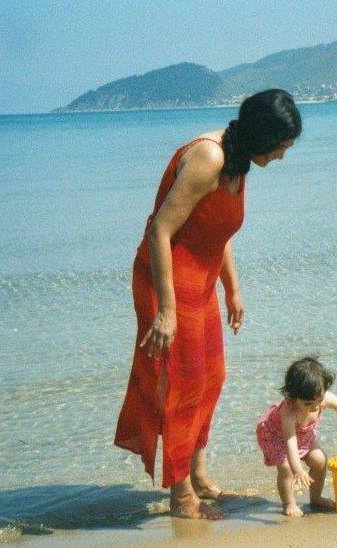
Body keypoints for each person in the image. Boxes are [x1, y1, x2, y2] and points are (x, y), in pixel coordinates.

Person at [114, 89, 302, 520]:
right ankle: (181, 496)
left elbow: (217, 232)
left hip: (200, 279)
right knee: (182, 386)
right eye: (281, 145)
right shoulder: (210, 158)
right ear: (260, 136)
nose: (282, 155)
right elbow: (160, 230)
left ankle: (197, 475)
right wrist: (166, 309)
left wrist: (232, 288)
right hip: (166, 280)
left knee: (211, 377)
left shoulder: (239, 162)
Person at [256, 356, 337, 517]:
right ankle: (289, 502)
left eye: (319, 400)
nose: (315, 406)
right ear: (293, 397)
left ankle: (315, 498)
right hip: (275, 436)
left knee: (320, 461)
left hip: (303, 434)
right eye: (308, 404)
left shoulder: (321, 398)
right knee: (286, 468)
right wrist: (298, 470)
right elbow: (290, 441)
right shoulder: (289, 412)